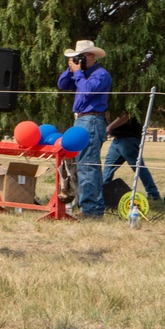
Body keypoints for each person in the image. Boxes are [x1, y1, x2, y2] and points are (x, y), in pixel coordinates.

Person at [56, 40, 112, 218]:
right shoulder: (81, 74)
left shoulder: (101, 74)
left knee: (88, 166)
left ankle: (92, 210)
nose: (77, 60)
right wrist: (71, 69)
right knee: (81, 165)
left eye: (80, 57)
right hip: (81, 120)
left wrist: (78, 72)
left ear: (91, 56)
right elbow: (62, 84)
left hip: (92, 120)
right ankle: (87, 206)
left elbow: (88, 91)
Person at [102, 111, 161, 201]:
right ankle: (102, 193)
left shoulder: (127, 103)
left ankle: (153, 194)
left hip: (128, 139)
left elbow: (125, 116)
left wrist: (108, 128)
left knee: (138, 168)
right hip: (117, 139)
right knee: (108, 168)